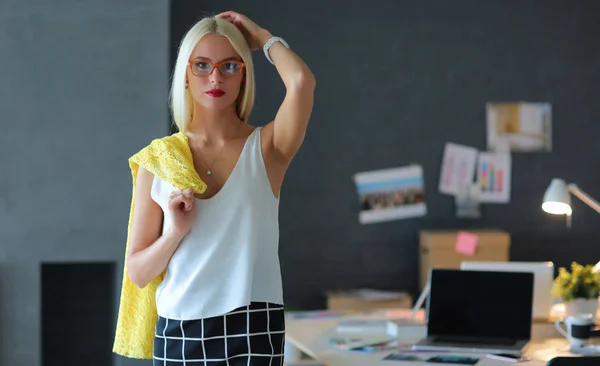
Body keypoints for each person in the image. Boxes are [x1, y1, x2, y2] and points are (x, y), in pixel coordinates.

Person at [117, 10, 315, 366]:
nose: (215, 77)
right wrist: (174, 233)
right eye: (202, 65)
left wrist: (262, 37)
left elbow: (300, 82)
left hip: (254, 327)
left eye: (229, 65)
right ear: (186, 76)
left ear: (244, 75)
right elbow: (138, 272)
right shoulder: (159, 159)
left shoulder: (269, 148)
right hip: (179, 331)